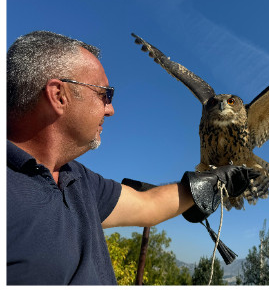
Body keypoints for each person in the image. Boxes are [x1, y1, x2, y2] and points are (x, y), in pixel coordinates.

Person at [6, 31, 256, 285]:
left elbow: (148, 205)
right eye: (104, 94)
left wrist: (208, 183)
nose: (111, 109)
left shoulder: (78, 180)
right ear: (60, 95)